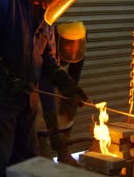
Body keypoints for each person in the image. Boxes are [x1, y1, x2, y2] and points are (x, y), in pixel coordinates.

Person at [0, 0, 89, 176]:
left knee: (28, 167)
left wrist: (68, 86)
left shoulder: (46, 17)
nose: (57, 6)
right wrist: (7, 78)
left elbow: (47, 58)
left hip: (27, 105)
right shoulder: (6, 0)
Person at [37, 21, 87, 166]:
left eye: (74, 45)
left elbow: (74, 74)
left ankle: (64, 152)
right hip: (40, 78)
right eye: (67, 45)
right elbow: (46, 91)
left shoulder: (79, 50)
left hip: (58, 76)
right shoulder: (46, 51)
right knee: (39, 113)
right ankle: (42, 152)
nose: (71, 48)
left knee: (67, 109)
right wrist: (53, 129)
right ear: (57, 40)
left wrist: (71, 96)